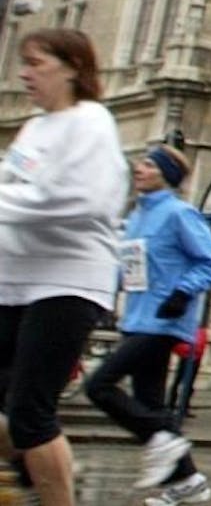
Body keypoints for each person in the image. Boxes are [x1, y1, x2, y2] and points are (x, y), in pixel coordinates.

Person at [0, 29, 129, 506]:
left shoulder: (91, 121)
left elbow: (83, 200)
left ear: (73, 67)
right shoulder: (33, 128)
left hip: (67, 281)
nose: (24, 73)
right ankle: (30, 479)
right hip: (13, 282)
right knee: (15, 413)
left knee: (31, 412)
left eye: (36, 63)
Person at [84, 144, 211, 506]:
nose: (139, 168)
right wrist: (102, 300)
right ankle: (188, 481)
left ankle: (164, 440)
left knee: (98, 385)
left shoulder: (180, 213)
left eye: (148, 164)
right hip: (135, 318)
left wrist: (183, 292)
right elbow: (127, 267)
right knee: (150, 404)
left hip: (164, 322)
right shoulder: (136, 217)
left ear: (165, 174)